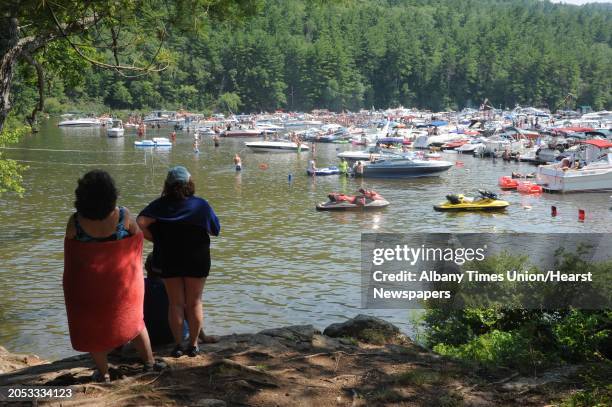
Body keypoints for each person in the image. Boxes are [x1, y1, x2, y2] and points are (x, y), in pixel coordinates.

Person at [64, 170, 163, 383]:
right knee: (136, 323)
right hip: (121, 287)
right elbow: (137, 239)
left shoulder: (75, 222)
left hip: (90, 290)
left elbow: (72, 254)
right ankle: (150, 364)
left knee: (93, 331)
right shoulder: (123, 216)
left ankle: (104, 373)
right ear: (111, 194)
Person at [137, 166, 220, 358]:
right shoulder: (200, 205)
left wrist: (156, 239)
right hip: (197, 257)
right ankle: (193, 345)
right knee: (195, 302)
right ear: (189, 183)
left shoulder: (159, 205)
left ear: (167, 185)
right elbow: (215, 230)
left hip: (168, 257)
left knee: (175, 303)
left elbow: (140, 222)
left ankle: (177, 345)